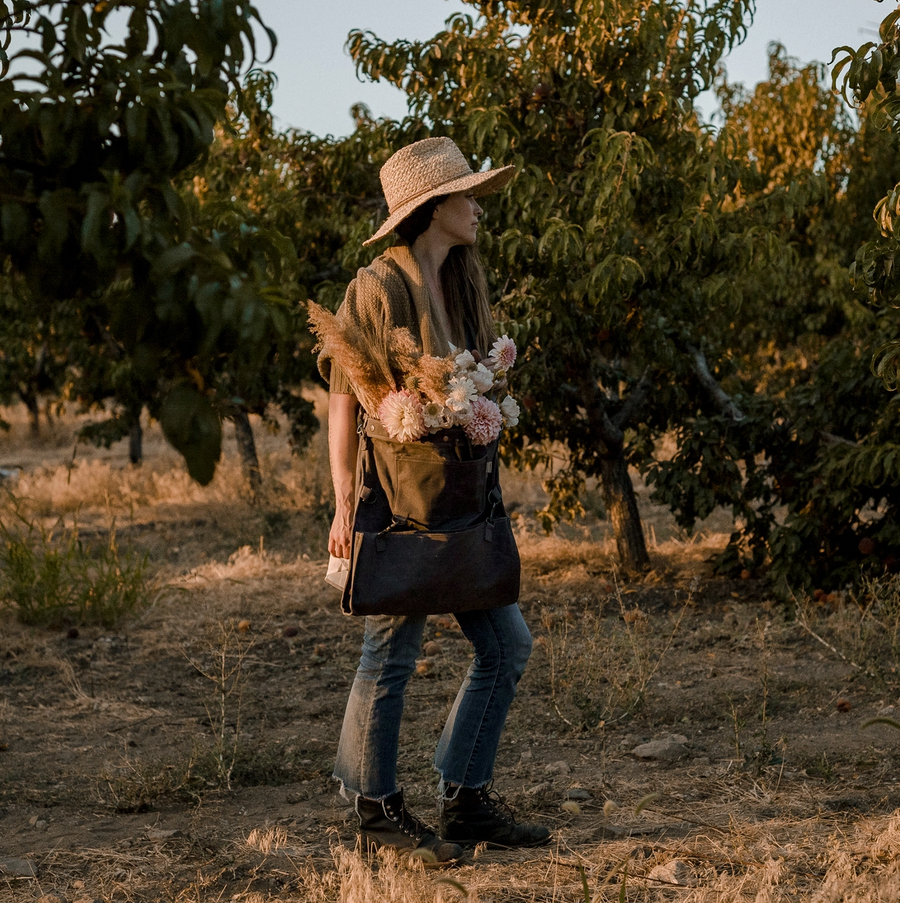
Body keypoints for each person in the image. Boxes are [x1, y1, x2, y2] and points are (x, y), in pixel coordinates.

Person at [319, 137, 550, 865]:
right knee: (393, 646)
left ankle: (464, 797)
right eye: (468, 195)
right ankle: (374, 807)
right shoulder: (377, 285)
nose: (479, 207)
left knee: (506, 644)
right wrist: (338, 506)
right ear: (433, 208)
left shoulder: (461, 283)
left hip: (459, 497)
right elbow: (342, 401)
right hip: (398, 499)